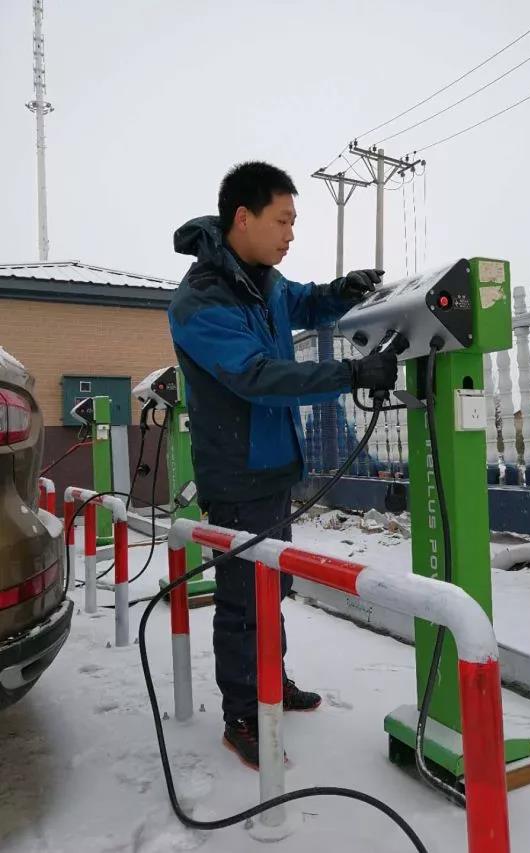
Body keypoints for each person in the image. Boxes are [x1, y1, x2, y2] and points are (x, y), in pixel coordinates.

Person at [168, 161, 398, 769]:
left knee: (272, 583)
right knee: (243, 597)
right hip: (236, 473)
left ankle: (271, 676)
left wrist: (342, 290)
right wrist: (350, 374)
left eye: (294, 222)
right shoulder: (200, 301)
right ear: (243, 218)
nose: (291, 234)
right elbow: (257, 377)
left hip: (272, 466)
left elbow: (305, 301)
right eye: (283, 221)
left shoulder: (265, 282)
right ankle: (243, 713)